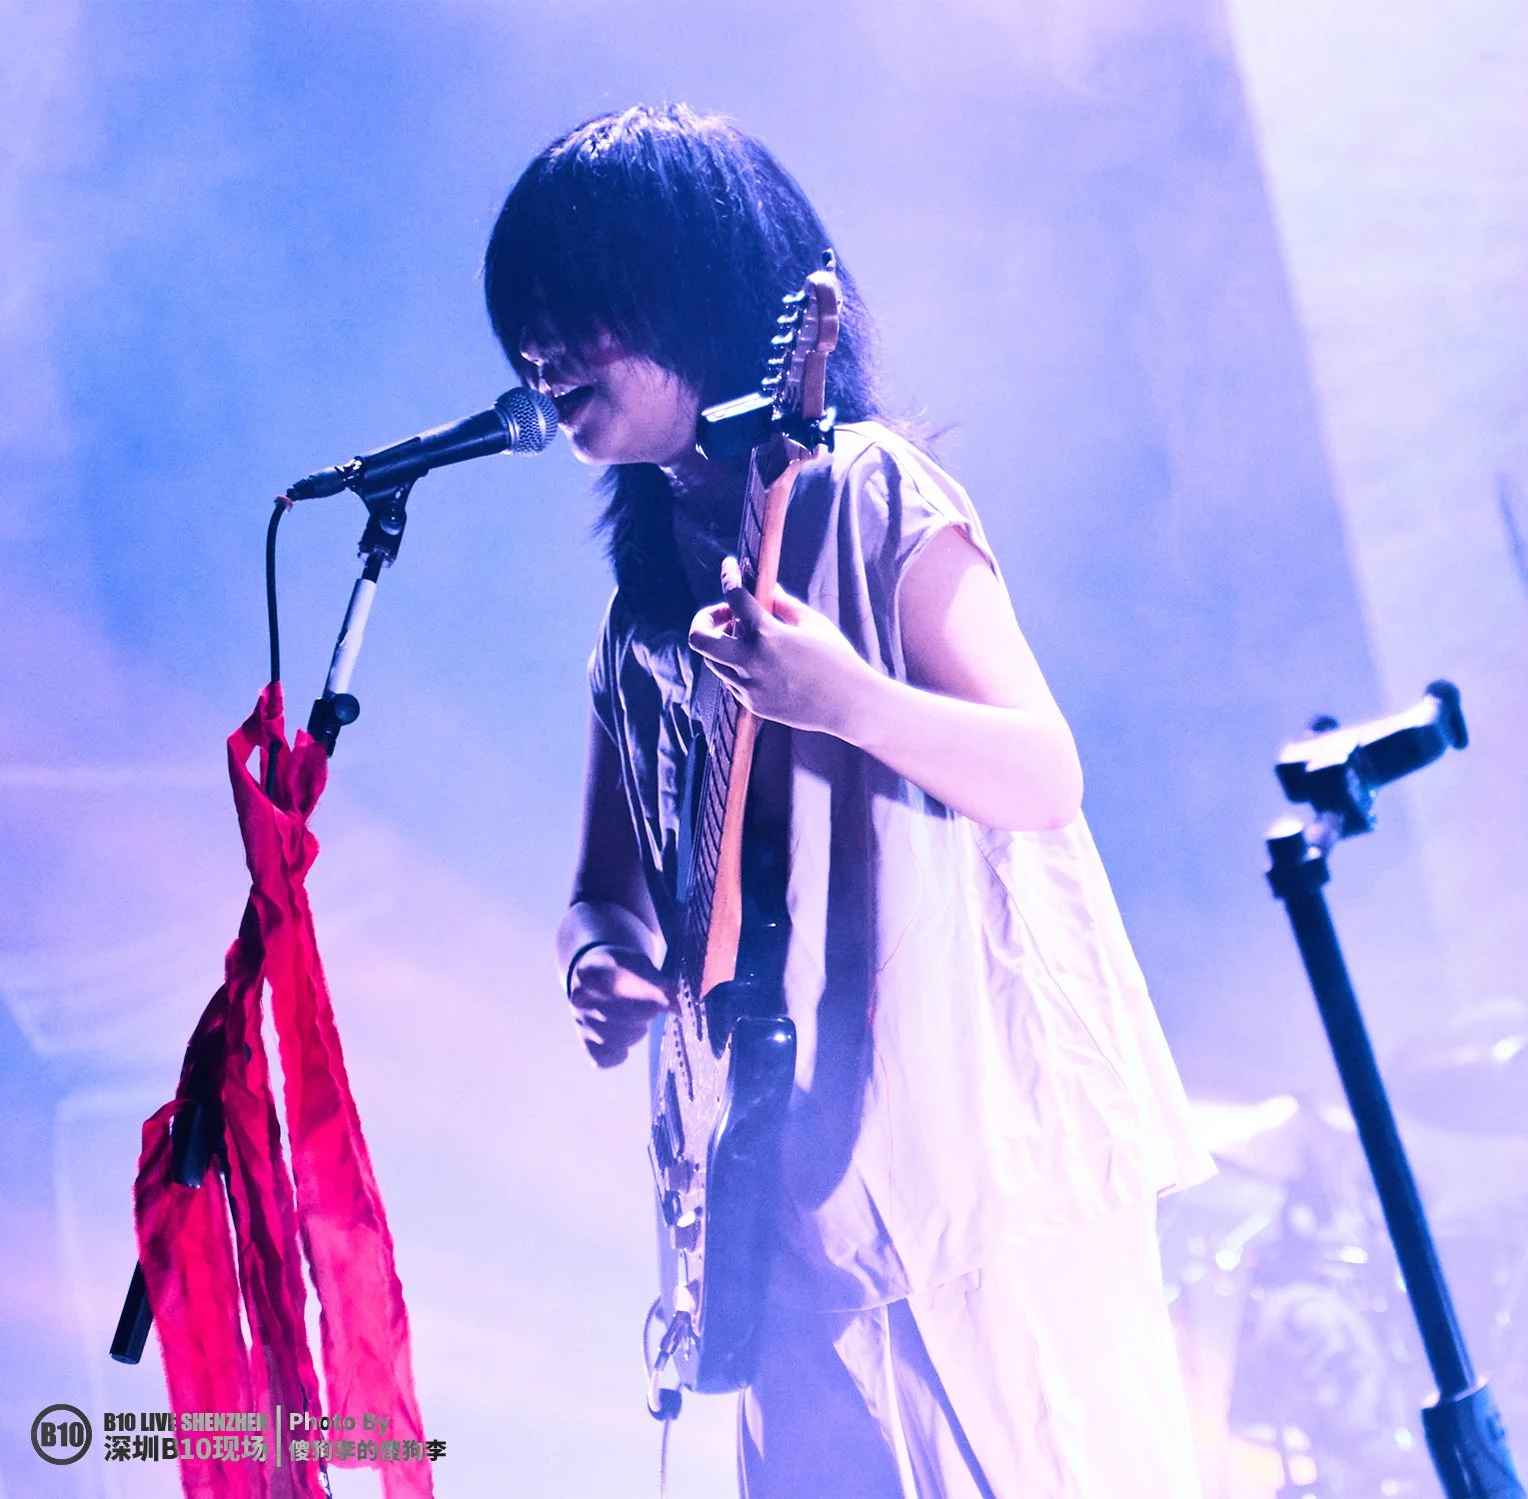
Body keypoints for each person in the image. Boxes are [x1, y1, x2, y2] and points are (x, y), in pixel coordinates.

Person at [483, 104, 1213, 1497]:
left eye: (577, 307)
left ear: (696, 289)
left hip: (972, 1175)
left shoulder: (874, 493)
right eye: (525, 323)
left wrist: (849, 699)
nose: (542, 349)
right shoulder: (638, 617)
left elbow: (1043, 771)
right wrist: (599, 963)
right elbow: (604, 890)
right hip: (772, 1198)